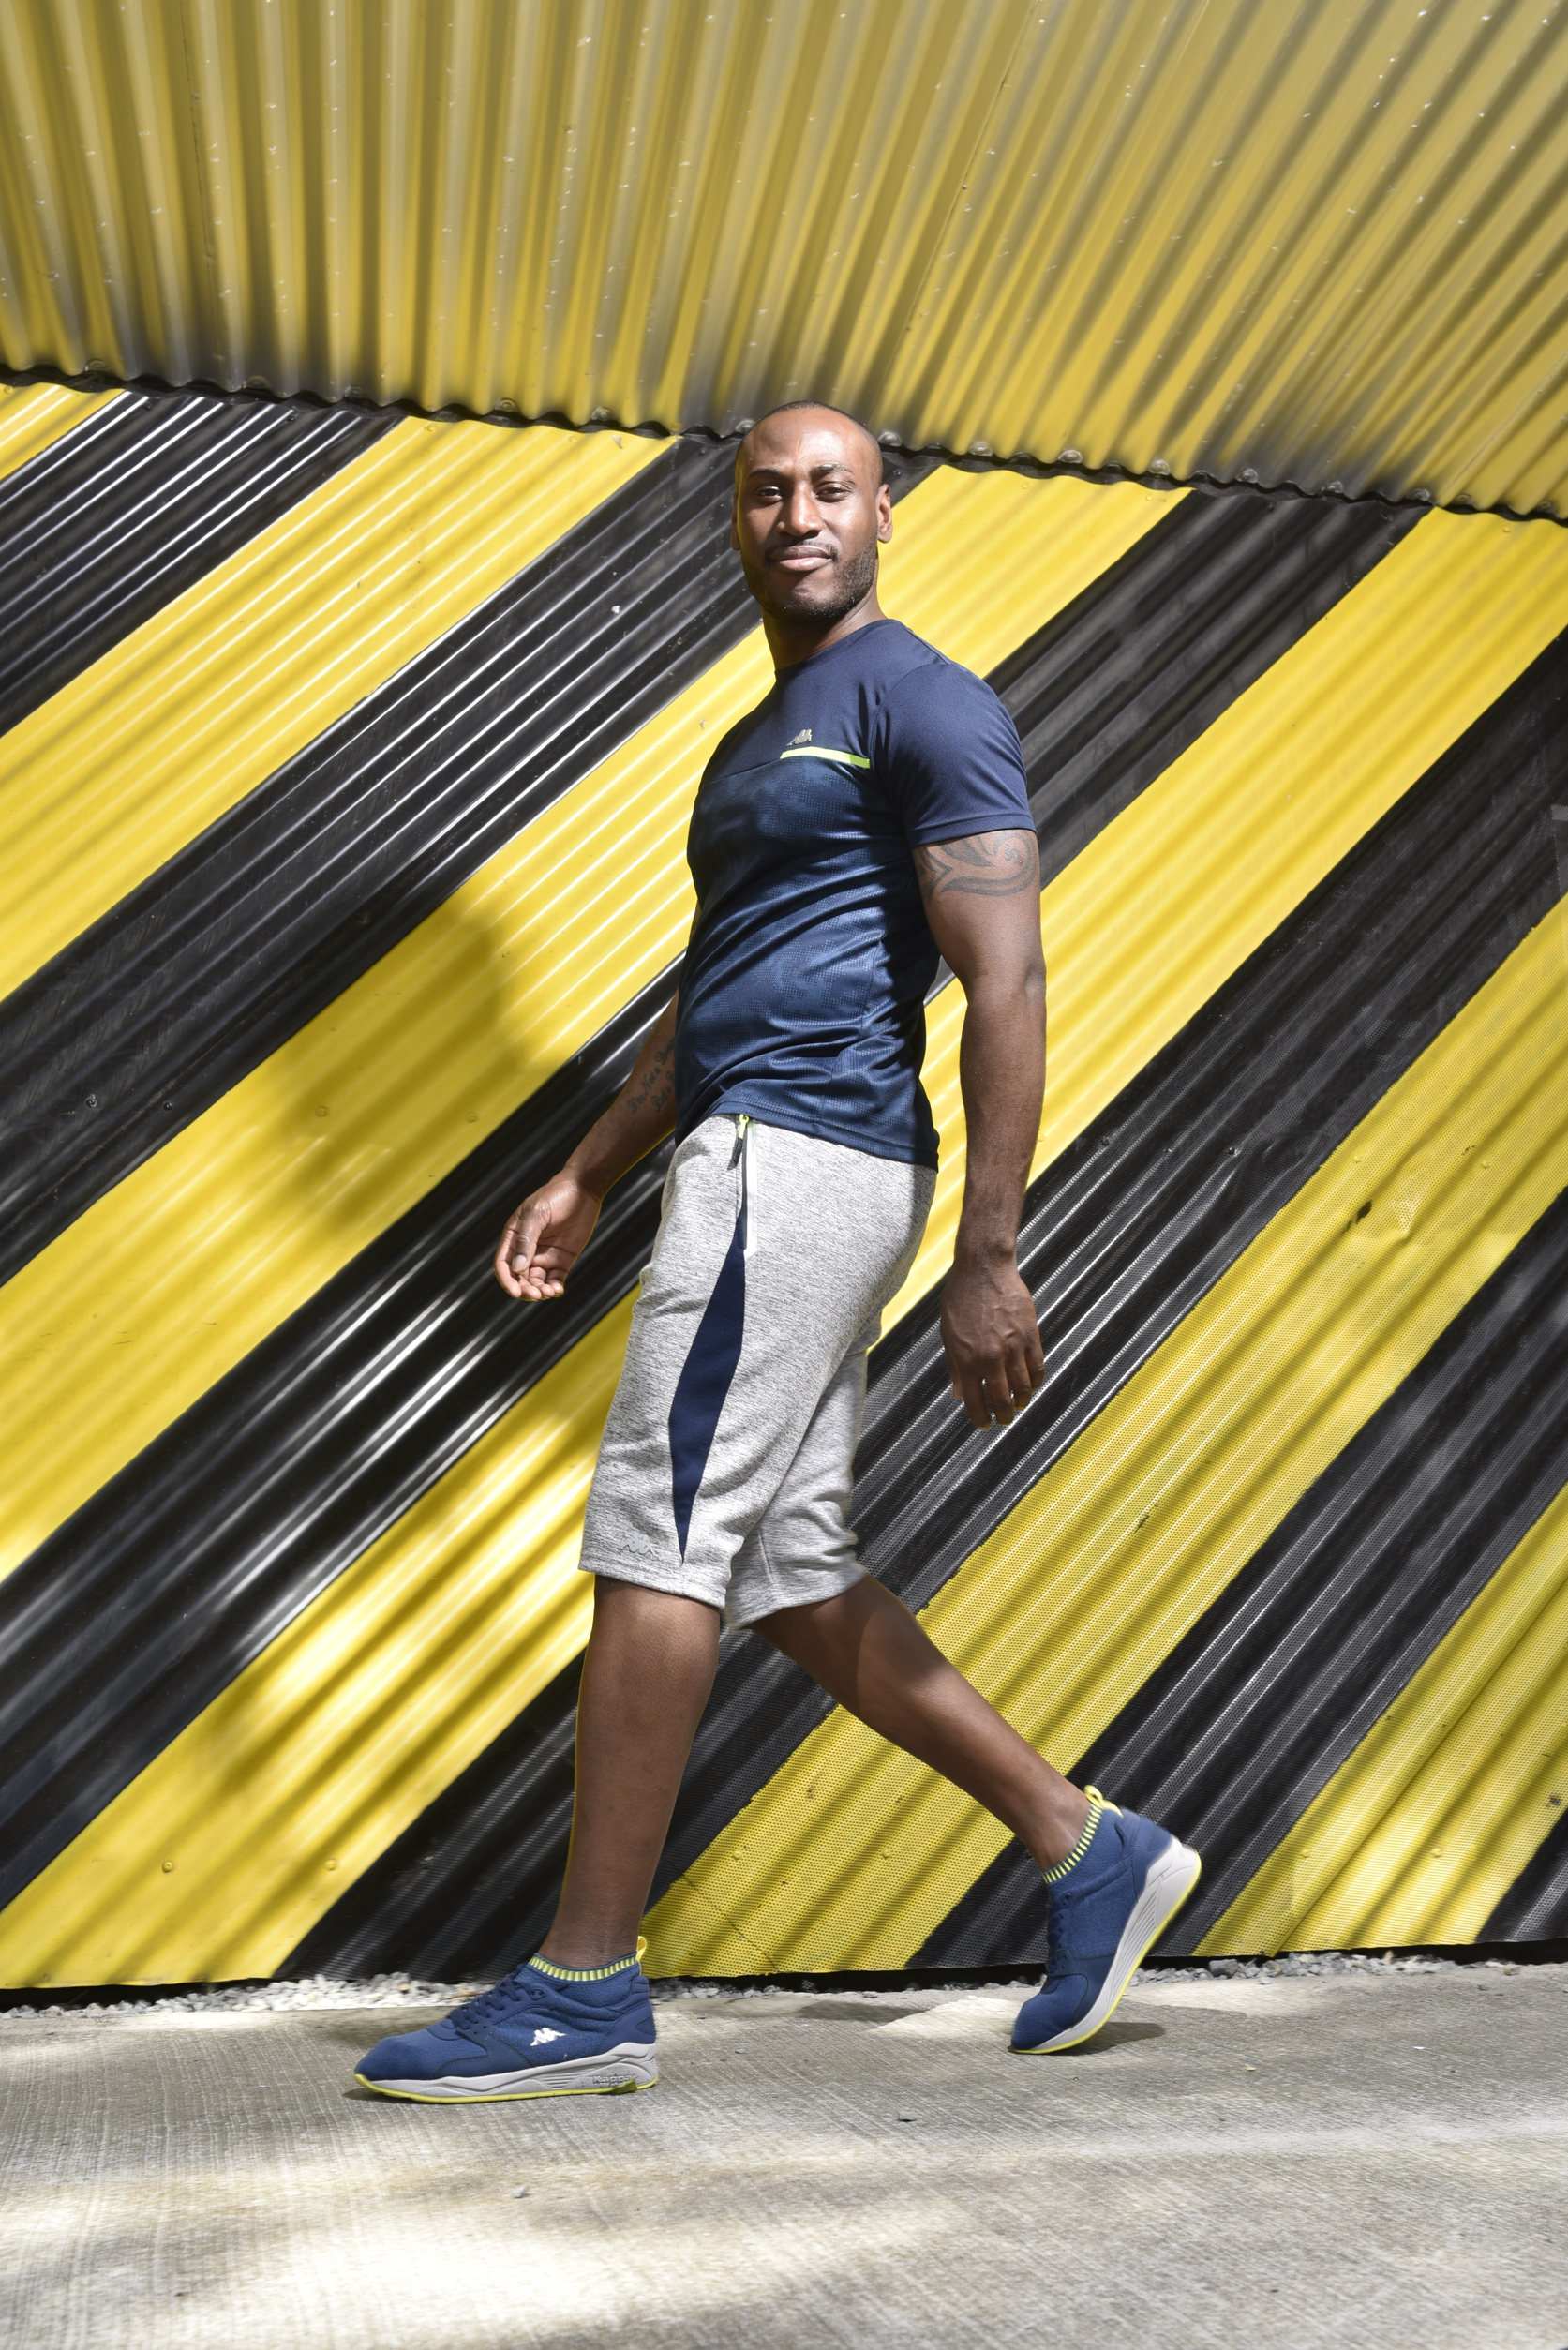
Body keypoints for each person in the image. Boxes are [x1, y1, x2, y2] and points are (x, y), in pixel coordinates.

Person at [355, 402, 1199, 2103]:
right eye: (765, 491)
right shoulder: (756, 740)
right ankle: (1085, 1845)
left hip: (802, 1158)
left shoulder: (925, 702)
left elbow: (1008, 978)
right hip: (750, 1147)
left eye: (830, 488)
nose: (797, 514)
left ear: (883, 513)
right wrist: (587, 1171)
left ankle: (583, 1988)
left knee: (660, 1534)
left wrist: (992, 1251)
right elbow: (713, 989)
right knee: (783, 1569)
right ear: (733, 520)